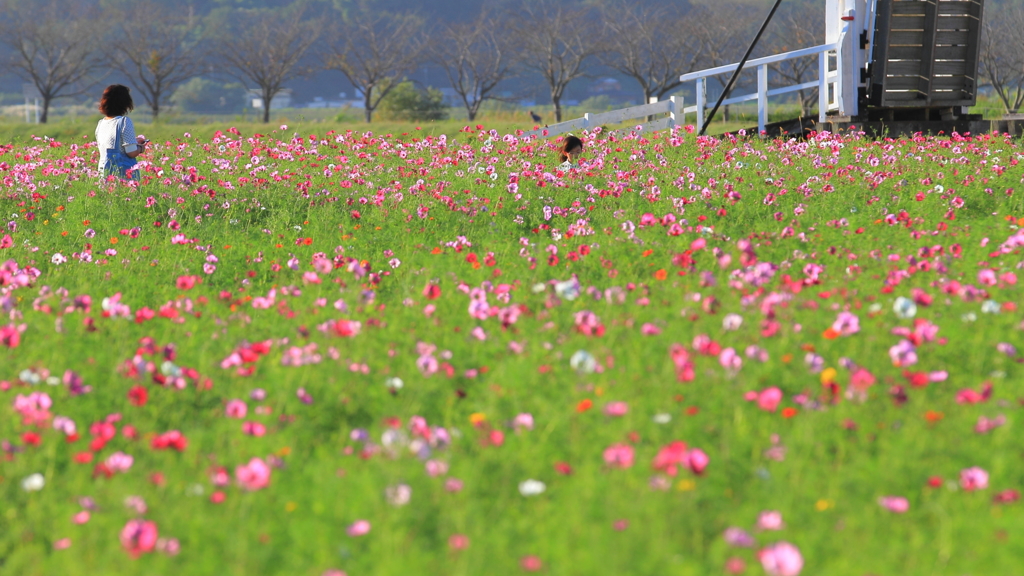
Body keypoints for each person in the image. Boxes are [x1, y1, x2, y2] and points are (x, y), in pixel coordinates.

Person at [95, 84, 147, 180]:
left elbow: (112, 143)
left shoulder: (101, 123)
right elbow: (131, 152)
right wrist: (140, 148)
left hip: (104, 173)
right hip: (121, 175)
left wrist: (133, 140)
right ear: (125, 103)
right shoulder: (124, 121)